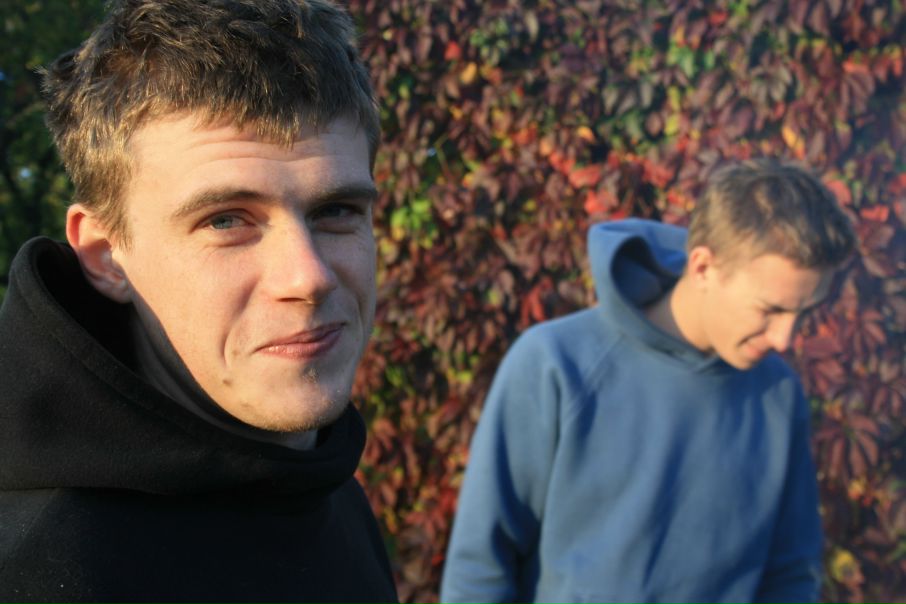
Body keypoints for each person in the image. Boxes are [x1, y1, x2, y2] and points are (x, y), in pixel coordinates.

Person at [0, 0, 398, 601]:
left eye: (336, 210)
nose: (308, 277)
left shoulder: (321, 479)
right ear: (106, 256)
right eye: (225, 220)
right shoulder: (48, 572)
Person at [441, 159, 856, 603]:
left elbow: (790, 574)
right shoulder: (556, 365)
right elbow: (480, 567)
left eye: (802, 313)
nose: (785, 339)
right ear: (703, 268)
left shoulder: (778, 393)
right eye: (770, 310)